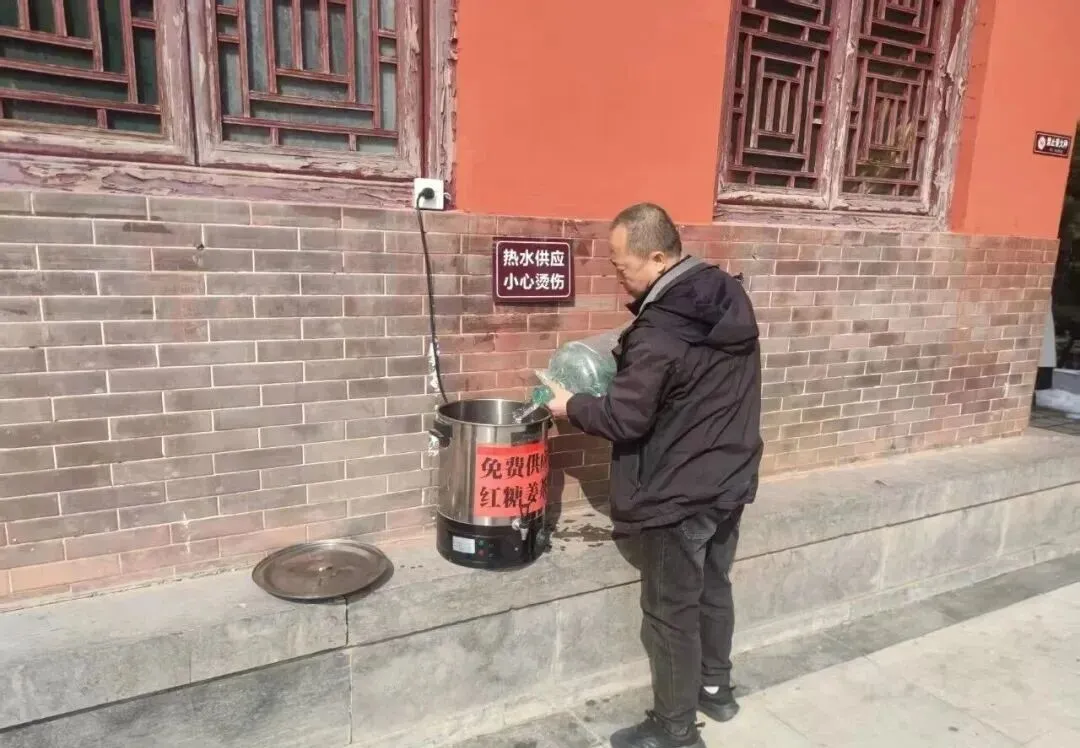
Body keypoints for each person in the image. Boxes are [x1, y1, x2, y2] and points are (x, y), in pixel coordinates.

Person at [544, 203, 763, 748]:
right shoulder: (726, 297)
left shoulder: (661, 330)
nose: (617, 275)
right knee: (713, 587)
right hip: (729, 477)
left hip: (676, 493)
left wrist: (571, 406)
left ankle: (675, 729)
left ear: (659, 257)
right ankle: (716, 689)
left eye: (622, 265)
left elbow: (625, 418)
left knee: (670, 614)